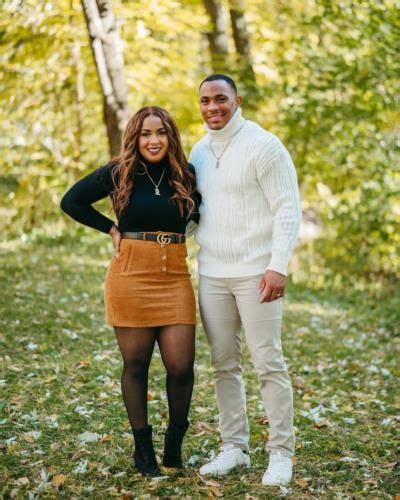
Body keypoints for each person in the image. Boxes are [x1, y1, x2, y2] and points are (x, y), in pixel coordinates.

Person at [60, 106, 200, 477]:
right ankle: (143, 451)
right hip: (131, 274)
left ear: (171, 137)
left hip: (174, 276)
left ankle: (174, 445)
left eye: (160, 133)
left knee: (182, 366)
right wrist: (110, 228)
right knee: (135, 365)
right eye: (145, 134)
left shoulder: (185, 175)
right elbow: (71, 201)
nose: (153, 140)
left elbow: (200, 213)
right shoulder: (118, 172)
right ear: (134, 138)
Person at [189, 75, 301, 486]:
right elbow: (196, 213)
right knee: (223, 365)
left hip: (257, 272)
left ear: (237, 100)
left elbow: (288, 209)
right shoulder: (198, 152)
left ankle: (280, 453)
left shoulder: (264, 145)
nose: (212, 107)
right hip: (212, 273)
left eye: (220, 99)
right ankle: (234, 448)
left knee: (268, 362)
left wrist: (278, 265)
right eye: (205, 100)